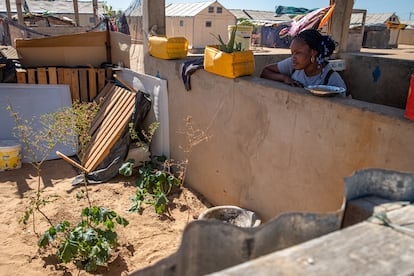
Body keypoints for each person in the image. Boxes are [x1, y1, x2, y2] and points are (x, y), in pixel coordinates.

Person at [260, 29, 346, 90]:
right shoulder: (292, 64)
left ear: (313, 52)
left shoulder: (332, 80)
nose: (293, 58)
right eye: (292, 53)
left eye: (298, 53)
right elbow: (265, 72)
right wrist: (284, 78)